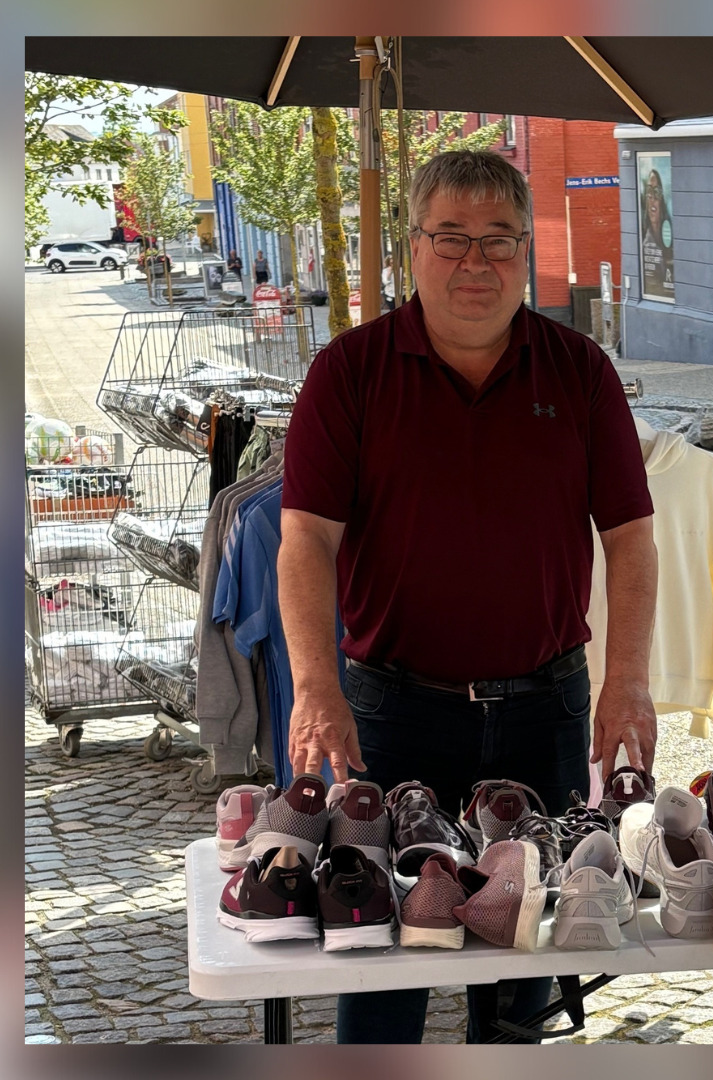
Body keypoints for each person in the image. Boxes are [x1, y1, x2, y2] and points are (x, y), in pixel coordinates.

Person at [277, 150, 660, 1044]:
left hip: (546, 709)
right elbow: (306, 542)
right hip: (392, 711)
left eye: (499, 241)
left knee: (532, 965)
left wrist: (629, 679)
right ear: (413, 248)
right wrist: (315, 685)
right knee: (381, 955)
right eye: (451, 238)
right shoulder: (350, 372)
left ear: (529, 250)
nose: (475, 263)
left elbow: (632, 541)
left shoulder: (580, 371)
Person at [639, 167, 674, 299]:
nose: (652, 198)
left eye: (657, 192)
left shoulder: (671, 237)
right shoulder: (644, 241)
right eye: (649, 192)